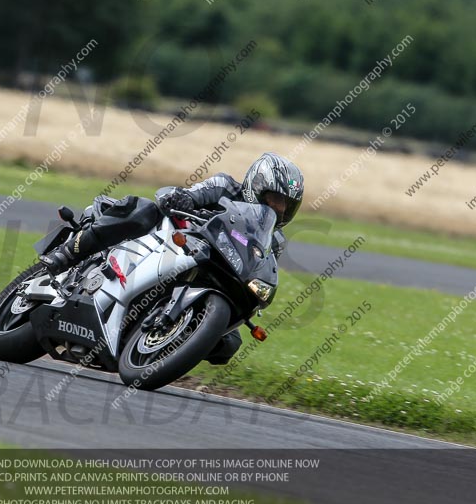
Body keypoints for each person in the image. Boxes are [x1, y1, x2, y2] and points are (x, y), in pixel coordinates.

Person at [40, 152, 305, 364]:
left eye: (285, 206)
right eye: (274, 200)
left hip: (212, 274)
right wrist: (182, 199)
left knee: (228, 344)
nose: (278, 209)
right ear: (256, 186)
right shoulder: (224, 186)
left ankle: (161, 345)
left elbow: (256, 267)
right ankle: (65, 255)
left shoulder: (275, 240)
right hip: (173, 241)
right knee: (142, 208)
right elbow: (190, 194)